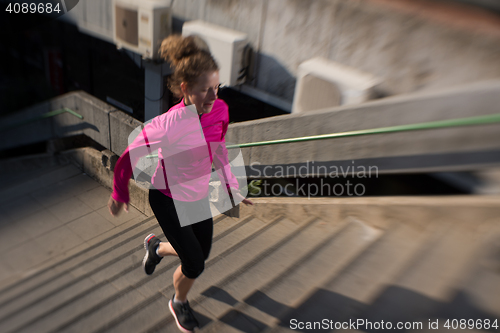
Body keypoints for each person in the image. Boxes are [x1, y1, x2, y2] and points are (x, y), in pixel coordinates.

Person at [107, 34, 253, 333]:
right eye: (205, 90)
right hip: (167, 197)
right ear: (185, 88)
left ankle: (157, 247)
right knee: (195, 264)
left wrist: (233, 184)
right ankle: (178, 302)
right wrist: (120, 192)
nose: (213, 97)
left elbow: (220, 148)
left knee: (201, 251)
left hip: (197, 193)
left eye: (217, 88)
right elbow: (128, 157)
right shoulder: (169, 124)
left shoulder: (220, 110)